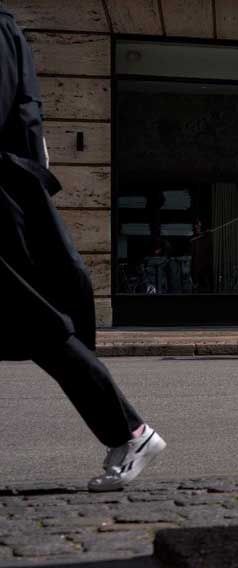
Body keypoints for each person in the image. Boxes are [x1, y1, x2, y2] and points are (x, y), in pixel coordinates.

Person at [0, 6, 165, 491]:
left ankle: (131, 431)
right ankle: (130, 431)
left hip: (3, 200)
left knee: (37, 323)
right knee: (35, 324)